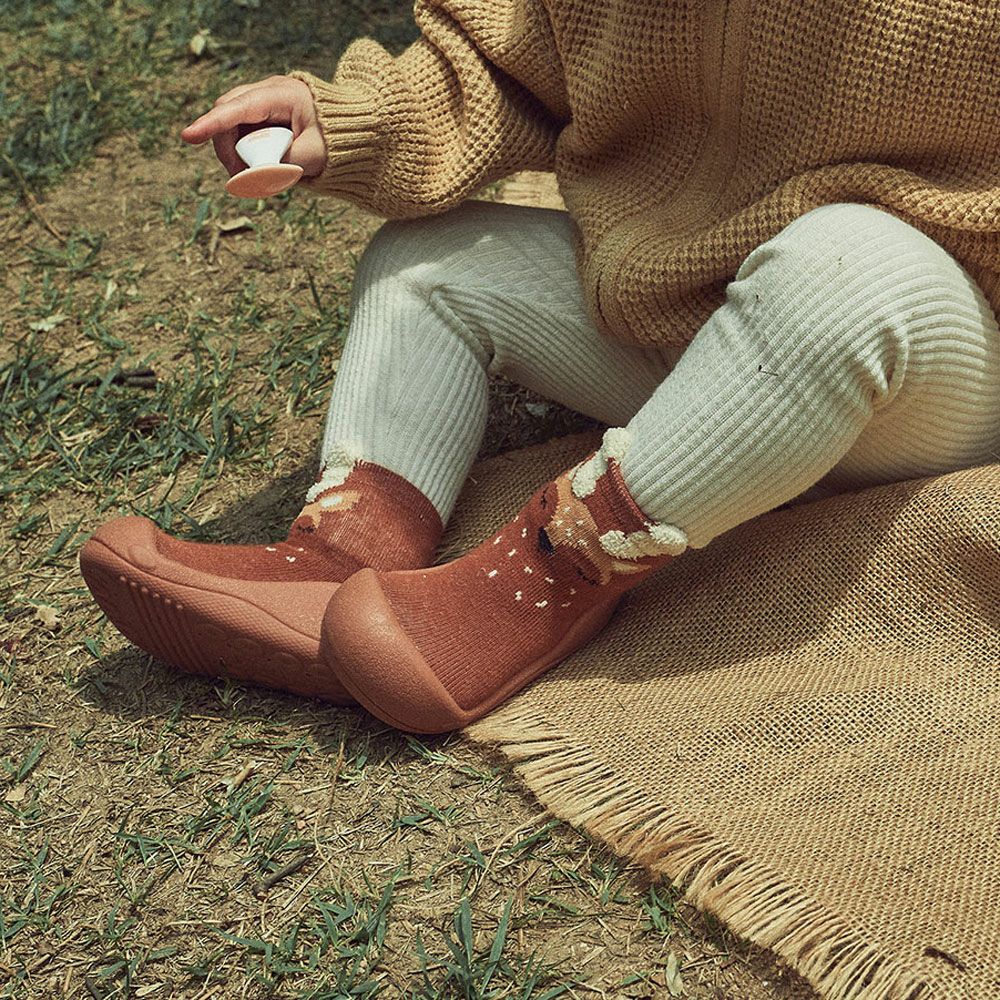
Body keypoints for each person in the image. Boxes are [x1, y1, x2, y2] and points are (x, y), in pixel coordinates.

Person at [80, 0, 1000, 733]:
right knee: (431, 259)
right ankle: (337, 558)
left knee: (844, 264)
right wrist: (346, 118)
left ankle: (544, 573)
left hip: (929, 352)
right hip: (693, 309)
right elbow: (499, 68)